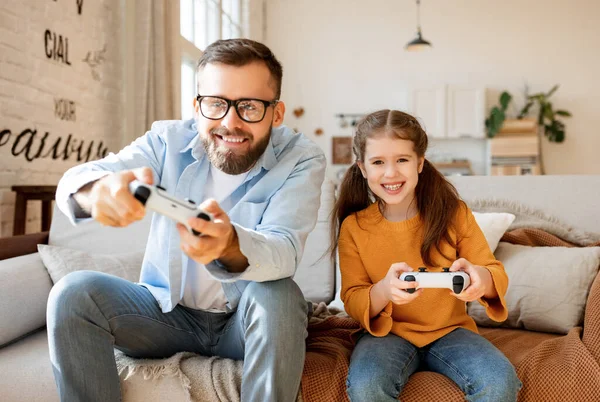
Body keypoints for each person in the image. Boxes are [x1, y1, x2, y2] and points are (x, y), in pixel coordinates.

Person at [47, 38, 326, 402]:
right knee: (72, 294)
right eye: (216, 104)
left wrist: (229, 245)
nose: (230, 122)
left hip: (242, 322)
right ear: (197, 107)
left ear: (276, 113)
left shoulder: (302, 158)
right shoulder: (166, 140)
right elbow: (80, 178)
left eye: (249, 106)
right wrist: (94, 192)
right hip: (163, 316)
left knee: (280, 292)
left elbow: (284, 249)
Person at [330, 109, 521, 401]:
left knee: (499, 380)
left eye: (402, 160)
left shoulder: (454, 214)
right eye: (378, 162)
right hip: (386, 334)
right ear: (363, 168)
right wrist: (384, 290)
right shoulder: (354, 227)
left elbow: (493, 272)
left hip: (451, 331)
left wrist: (479, 279)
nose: (391, 173)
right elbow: (353, 298)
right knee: (367, 386)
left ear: (420, 163)